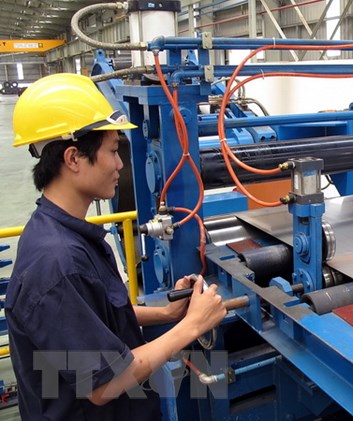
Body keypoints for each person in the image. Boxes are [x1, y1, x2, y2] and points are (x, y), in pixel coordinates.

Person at [5, 73, 227, 420]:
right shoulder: (57, 264)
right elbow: (104, 385)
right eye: (112, 151)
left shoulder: (66, 235)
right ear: (73, 159)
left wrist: (167, 314)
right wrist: (193, 326)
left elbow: (93, 315)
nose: (120, 164)